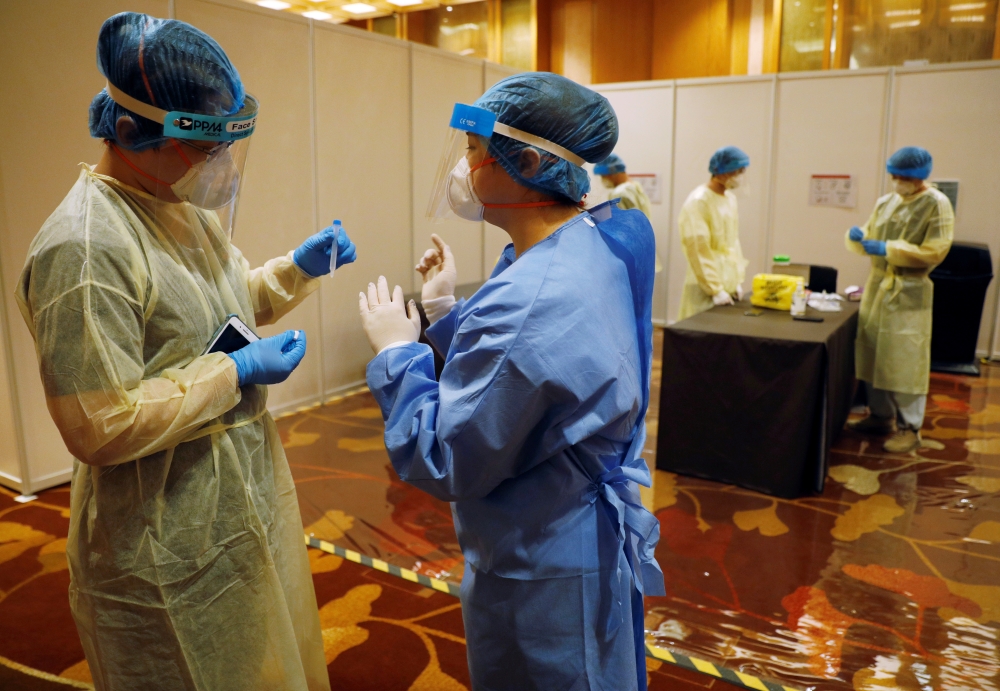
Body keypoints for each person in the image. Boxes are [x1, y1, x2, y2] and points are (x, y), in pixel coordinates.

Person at [16, 13, 355, 690]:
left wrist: (295, 269)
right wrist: (234, 369)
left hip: (236, 498)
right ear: (134, 134)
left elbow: (215, 307)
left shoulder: (176, 204)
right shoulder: (85, 248)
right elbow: (97, 420)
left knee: (263, 659)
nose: (222, 170)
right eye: (207, 151)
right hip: (157, 537)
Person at [358, 72, 664, 691]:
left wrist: (398, 353)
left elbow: (448, 456)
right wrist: (446, 315)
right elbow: (524, 383)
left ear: (525, 161)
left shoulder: (532, 297)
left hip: (544, 557)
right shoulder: (592, 238)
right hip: (577, 523)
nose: (463, 169)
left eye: (473, 152)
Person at [845, 146, 953, 453]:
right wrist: (858, 238)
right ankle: (880, 417)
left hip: (909, 291)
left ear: (919, 175)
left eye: (902, 175)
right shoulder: (887, 201)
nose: (895, 179)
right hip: (879, 287)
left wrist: (889, 249)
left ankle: (910, 428)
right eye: (893, 174)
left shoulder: (936, 204)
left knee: (905, 362)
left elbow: (935, 251)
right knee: (874, 355)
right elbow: (870, 236)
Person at [676, 145, 750, 320]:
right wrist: (714, 288)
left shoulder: (729, 199)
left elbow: (733, 242)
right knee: (700, 337)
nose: (740, 176)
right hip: (704, 285)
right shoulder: (699, 201)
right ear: (722, 171)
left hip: (728, 282)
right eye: (737, 171)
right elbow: (697, 247)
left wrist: (736, 279)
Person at [594, 153, 662, 274]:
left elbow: (617, 230)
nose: (603, 180)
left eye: (604, 176)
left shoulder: (620, 193)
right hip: (644, 252)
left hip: (630, 257)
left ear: (613, 172)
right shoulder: (636, 187)